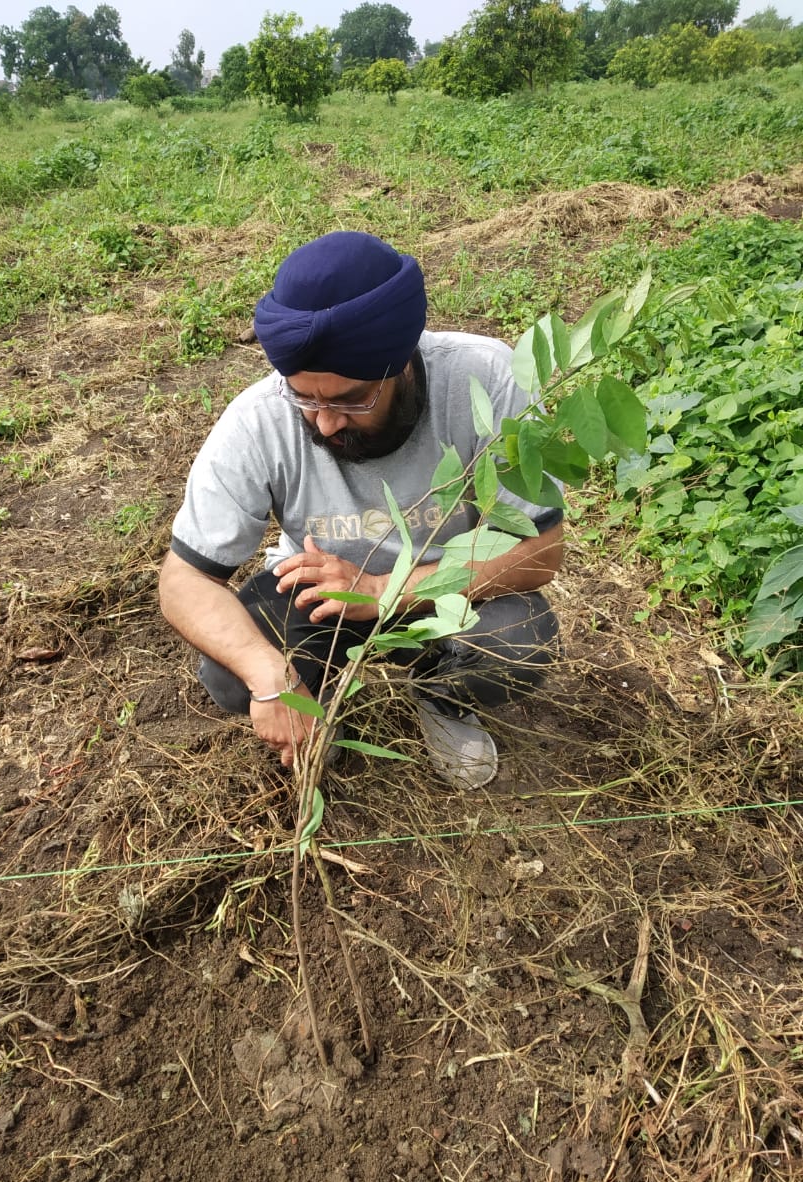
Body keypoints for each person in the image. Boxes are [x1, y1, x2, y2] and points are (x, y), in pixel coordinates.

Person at [158, 231, 563, 789]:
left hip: (447, 587)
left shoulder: (488, 380)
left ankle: (441, 694)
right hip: (319, 596)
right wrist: (270, 676)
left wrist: (380, 590)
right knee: (231, 672)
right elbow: (184, 580)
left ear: (403, 365)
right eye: (306, 398)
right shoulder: (257, 420)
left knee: (517, 640)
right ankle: (318, 701)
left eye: (351, 399)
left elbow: (540, 549)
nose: (325, 422)